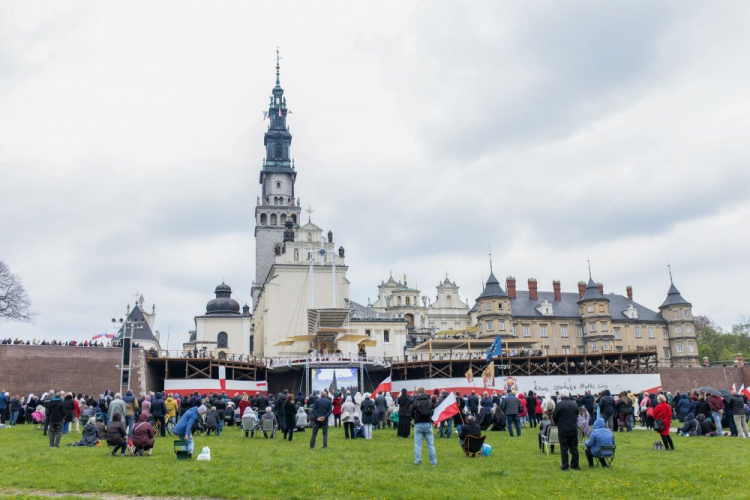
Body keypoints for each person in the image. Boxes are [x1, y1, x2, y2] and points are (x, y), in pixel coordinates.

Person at [551, 389, 579, 471]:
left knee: (564, 448)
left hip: (563, 429)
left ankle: (565, 465)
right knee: (574, 448)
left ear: (561, 396)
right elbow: (577, 415)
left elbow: (554, 417)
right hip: (573, 429)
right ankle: (575, 465)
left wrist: (558, 423)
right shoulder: (574, 404)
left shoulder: (559, 405)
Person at [411, 387, 437, 466]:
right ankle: (433, 462)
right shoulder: (429, 401)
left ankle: (417, 461)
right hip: (428, 424)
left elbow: (412, 412)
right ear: (425, 392)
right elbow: (433, 410)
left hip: (418, 424)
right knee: (430, 445)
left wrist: (415, 419)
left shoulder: (415, 402)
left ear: (418, 392)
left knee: (418, 445)